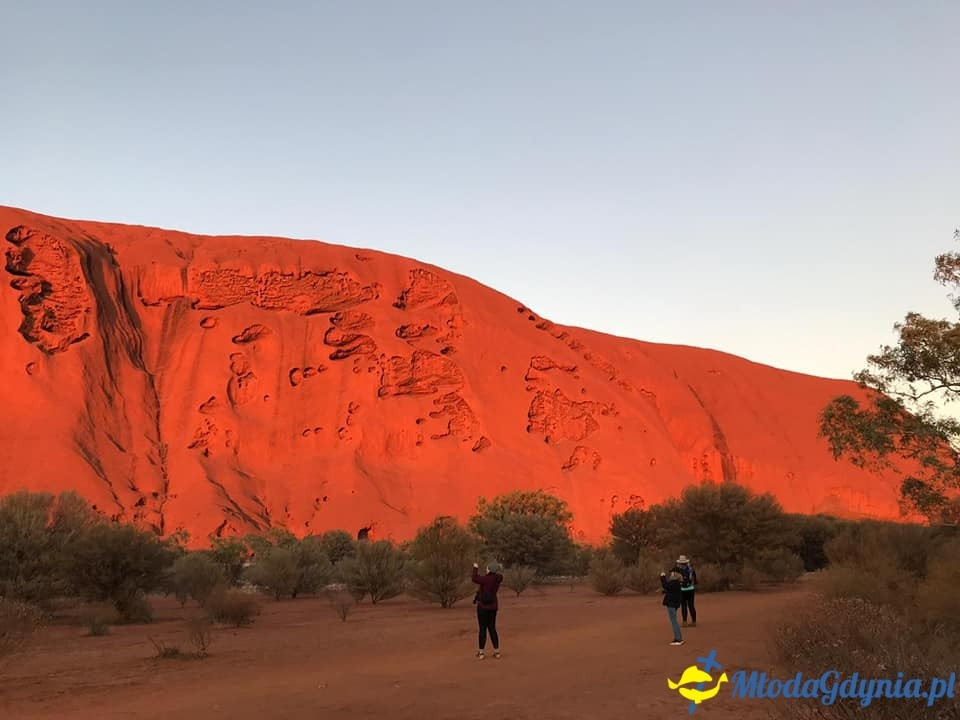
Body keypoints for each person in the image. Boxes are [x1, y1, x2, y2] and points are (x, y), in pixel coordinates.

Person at [472, 560, 503, 659]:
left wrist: (475, 567)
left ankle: (481, 652)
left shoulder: (485, 579)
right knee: (492, 629)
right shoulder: (498, 578)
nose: (486, 569)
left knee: (482, 629)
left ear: (490, 569)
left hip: (483, 607)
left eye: (487, 568)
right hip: (493, 607)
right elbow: (499, 575)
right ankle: (497, 652)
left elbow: (474, 578)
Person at [672, 555, 697, 627]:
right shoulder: (691, 569)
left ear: (679, 563)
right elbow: (695, 581)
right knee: (691, 605)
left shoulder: (677, 571)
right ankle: (694, 621)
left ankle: (684, 622)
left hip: (682, 590)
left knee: (684, 606)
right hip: (691, 589)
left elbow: (674, 581)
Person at [660, 570, 684, 646]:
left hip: (671, 604)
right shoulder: (677, 582)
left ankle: (678, 639)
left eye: (672, 573)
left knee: (674, 621)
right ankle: (678, 638)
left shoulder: (674, 582)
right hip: (675, 603)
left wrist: (663, 577)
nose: (671, 574)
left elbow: (665, 586)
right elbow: (667, 587)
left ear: (675, 574)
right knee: (674, 620)